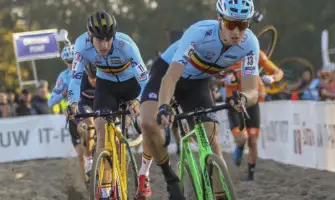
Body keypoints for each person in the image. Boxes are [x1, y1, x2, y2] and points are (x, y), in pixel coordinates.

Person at [139, 0, 259, 199]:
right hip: (168, 73)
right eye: (231, 24)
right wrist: (164, 106)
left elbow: (252, 89)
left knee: (212, 137)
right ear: (220, 19)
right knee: (148, 123)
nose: (236, 31)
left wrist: (245, 98)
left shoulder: (250, 44)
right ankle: (170, 178)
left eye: (243, 25)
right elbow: (170, 78)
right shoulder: (199, 34)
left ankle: (221, 194)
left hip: (198, 83)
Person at [67, 10, 150, 200]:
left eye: (108, 39)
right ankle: (104, 190)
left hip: (132, 85)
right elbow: (76, 78)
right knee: (101, 131)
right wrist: (72, 102)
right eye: (99, 40)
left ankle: (145, 175)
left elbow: (146, 81)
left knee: (148, 123)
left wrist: (137, 101)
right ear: (90, 37)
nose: (104, 45)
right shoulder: (81, 45)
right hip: (106, 87)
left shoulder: (127, 46)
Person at [221, 50, 284, 181]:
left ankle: (251, 176)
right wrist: (223, 80)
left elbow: (278, 72)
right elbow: (212, 76)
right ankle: (239, 146)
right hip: (233, 103)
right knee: (242, 139)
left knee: (253, 141)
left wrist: (272, 78)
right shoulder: (226, 54)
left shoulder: (257, 54)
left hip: (251, 102)